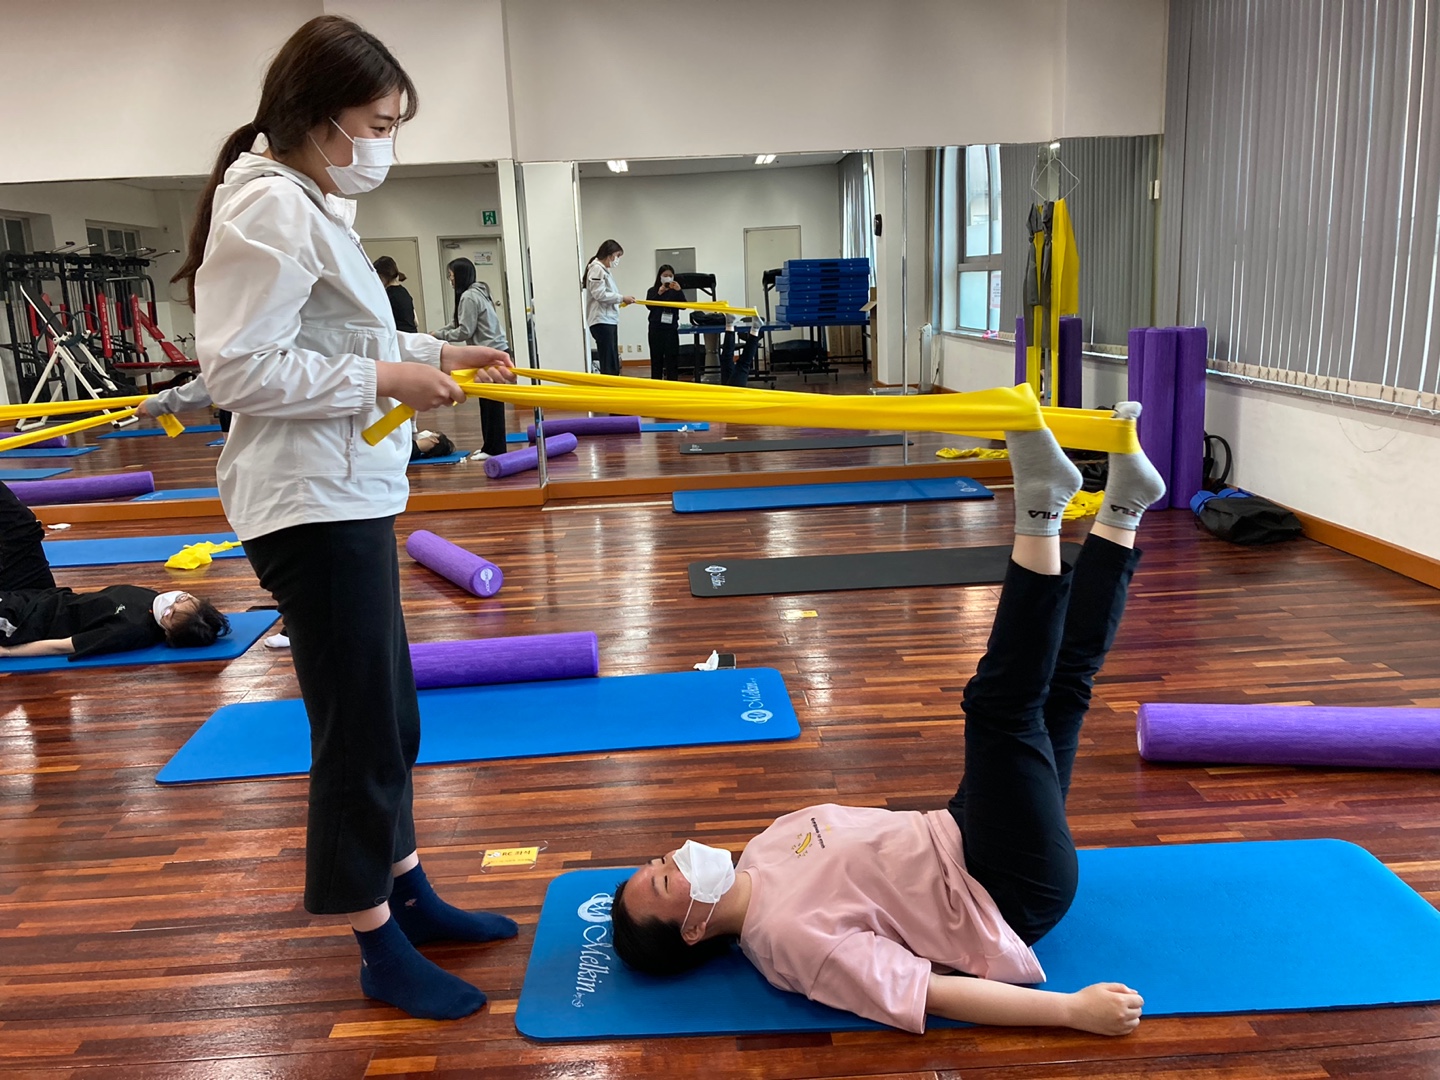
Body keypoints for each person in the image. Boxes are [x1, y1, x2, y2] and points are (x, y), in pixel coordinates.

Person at [610, 404, 1169, 1037]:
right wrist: (1071, 1011)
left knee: (1061, 689)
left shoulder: (766, 846)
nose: (674, 860)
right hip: (1002, 889)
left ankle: (1125, 505)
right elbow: (928, 991)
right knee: (999, 708)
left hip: (961, 830)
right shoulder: (787, 943)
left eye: (659, 860)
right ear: (693, 929)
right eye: (665, 881)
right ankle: (1040, 507)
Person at [171, 14, 518, 1022]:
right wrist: (388, 378)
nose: (384, 143)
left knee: (391, 718)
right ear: (319, 118)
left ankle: (408, 892)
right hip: (306, 505)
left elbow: (339, 332)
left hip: (344, 492)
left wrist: (436, 354)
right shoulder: (267, 207)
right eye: (378, 123)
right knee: (358, 731)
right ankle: (376, 943)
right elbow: (238, 370)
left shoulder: (308, 201)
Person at [0, 481, 229, 659]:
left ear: (168, 631)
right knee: (22, 527)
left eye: (171, 613)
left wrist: (7, 652)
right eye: (182, 598)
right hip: (43, 594)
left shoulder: (132, 631)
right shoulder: (152, 600)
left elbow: (61, 646)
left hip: (22, 619)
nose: (171, 602)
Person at [433, 257, 508, 460]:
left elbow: (465, 331)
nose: (450, 280)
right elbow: (457, 323)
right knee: (488, 403)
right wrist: (437, 333)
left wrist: (439, 336)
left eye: (451, 275)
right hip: (492, 352)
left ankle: (494, 450)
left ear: (460, 275)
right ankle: (489, 447)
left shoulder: (469, 296)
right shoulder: (478, 292)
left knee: (492, 405)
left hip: (491, 353)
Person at [581, 239, 634, 375]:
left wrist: (620, 301)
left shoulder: (604, 270)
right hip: (602, 321)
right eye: (617, 256)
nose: (617, 260)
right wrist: (622, 298)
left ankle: (614, 383)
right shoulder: (596, 269)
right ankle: (609, 385)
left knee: (612, 359)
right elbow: (599, 294)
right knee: (608, 361)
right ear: (610, 254)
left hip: (608, 319)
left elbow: (607, 294)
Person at [645, 264, 685, 381]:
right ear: (660, 276)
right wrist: (659, 293)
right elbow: (649, 306)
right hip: (656, 329)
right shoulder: (652, 290)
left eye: (670, 275)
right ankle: (656, 384)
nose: (668, 278)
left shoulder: (675, 291)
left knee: (672, 359)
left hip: (671, 329)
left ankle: (672, 383)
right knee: (656, 358)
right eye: (665, 275)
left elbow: (683, 306)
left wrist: (679, 291)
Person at [373, 255, 417, 333]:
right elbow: (416, 322)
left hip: (399, 336)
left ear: (381, 276)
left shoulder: (386, 295)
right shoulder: (404, 292)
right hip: (412, 335)